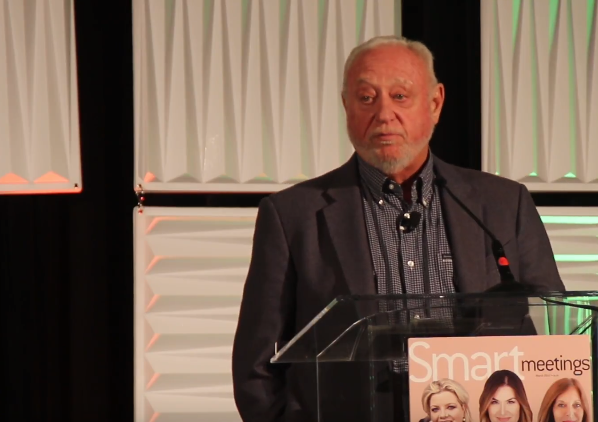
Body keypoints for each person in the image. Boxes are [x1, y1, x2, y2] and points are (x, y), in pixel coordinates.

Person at [231, 35, 565, 422]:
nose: (384, 114)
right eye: (366, 98)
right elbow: (255, 365)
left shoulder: (504, 204)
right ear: (346, 106)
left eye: (400, 96)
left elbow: (557, 326)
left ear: (435, 103)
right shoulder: (292, 215)